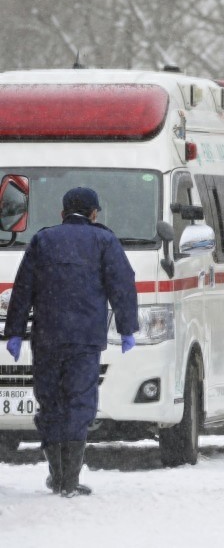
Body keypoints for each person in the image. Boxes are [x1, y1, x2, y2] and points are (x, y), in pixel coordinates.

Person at [3, 187, 139, 497]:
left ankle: (57, 474)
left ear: (62, 213)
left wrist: (15, 331)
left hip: (47, 337)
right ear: (94, 213)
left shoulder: (43, 240)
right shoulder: (104, 240)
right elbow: (121, 285)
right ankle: (69, 480)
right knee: (79, 402)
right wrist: (127, 328)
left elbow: (23, 287)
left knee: (51, 402)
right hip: (85, 339)